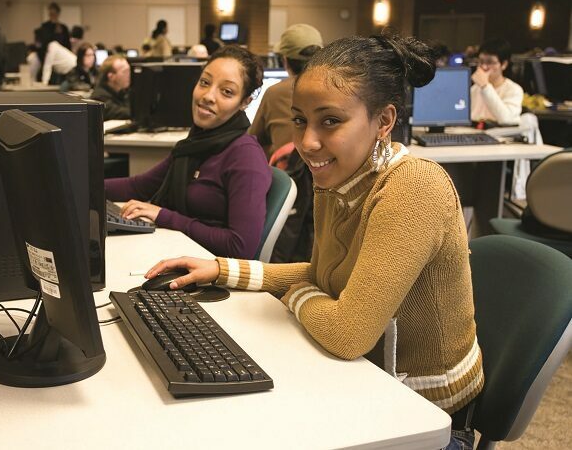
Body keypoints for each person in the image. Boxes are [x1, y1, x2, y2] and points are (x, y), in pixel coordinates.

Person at [145, 35, 484, 450]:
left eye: (330, 121)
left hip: (428, 419)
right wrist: (222, 269)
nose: (307, 142)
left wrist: (298, 293)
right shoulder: (339, 178)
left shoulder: (413, 187)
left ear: (384, 121)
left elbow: (346, 333)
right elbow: (326, 277)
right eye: (301, 120)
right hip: (366, 384)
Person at [105, 45, 272, 259]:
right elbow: (139, 186)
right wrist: (79, 187)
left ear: (245, 102)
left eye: (227, 92)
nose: (208, 96)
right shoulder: (195, 143)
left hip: (209, 271)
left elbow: (240, 247)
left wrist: (164, 216)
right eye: (205, 82)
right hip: (177, 252)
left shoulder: (245, 157)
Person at [249, 23, 323, 159]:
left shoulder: (274, 93)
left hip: (290, 175)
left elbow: (253, 141)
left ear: (285, 61)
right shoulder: (336, 89)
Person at [471, 38, 523, 127]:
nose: (484, 67)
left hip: (501, 137)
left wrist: (485, 86)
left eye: (490, 62)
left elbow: (506, 120)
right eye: (481, 61)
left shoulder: (514, 89)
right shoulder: (474, 89)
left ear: (504, 64)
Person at [90, 54, 131, 120]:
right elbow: (123, 113)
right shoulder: (99, 98)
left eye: (129, 71)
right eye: (125, 71)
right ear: (111, 76)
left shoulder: (123, 92)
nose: (129, 75)